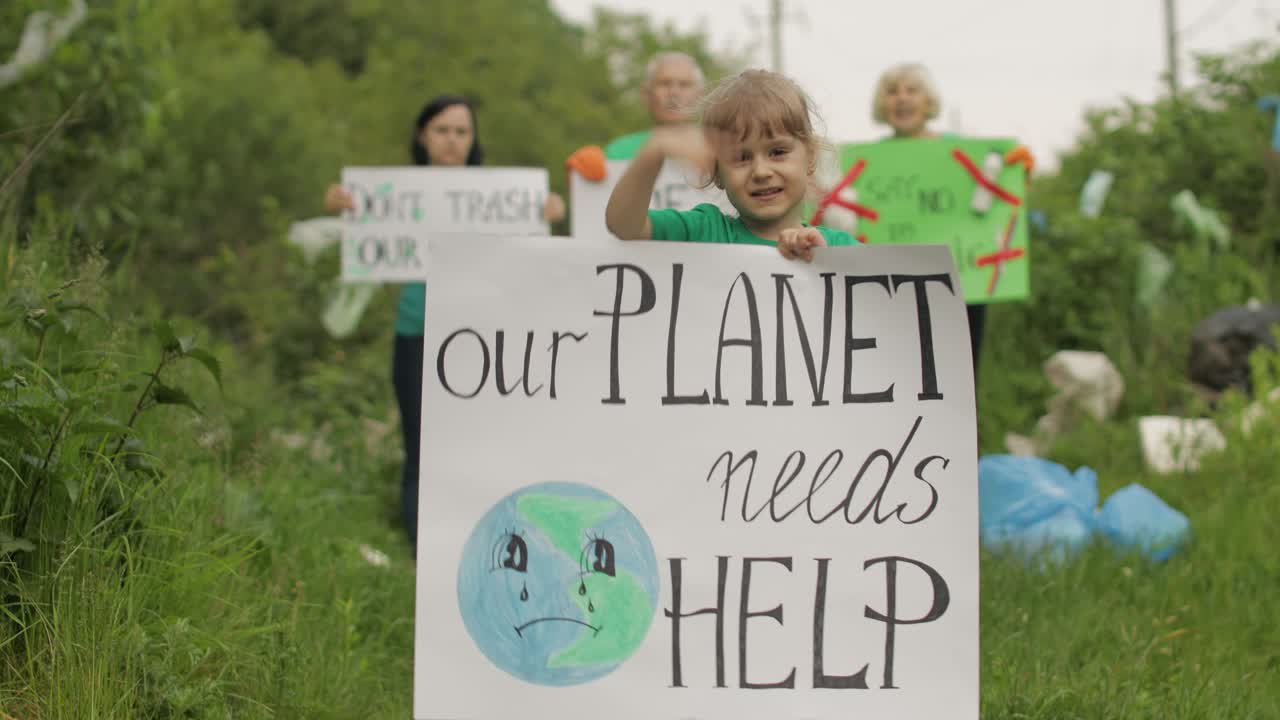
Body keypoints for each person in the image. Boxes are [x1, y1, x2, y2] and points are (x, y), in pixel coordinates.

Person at [324, 94, 565, 550]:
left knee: (484, 447)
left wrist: (546, 213)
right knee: (421, 447)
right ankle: (423, 557)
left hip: (483, 337)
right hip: (417, 331)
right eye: (442, 130)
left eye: (461, 132)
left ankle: (483, 547)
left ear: (473, 140)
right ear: (423, 136)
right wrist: (341, 206)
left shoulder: (503, 197)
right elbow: (358, 239)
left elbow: (526, 252)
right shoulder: (391, 194)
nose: (452, 141)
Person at [869, 62, 1034, 378]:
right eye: (892, 92)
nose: (901, 99)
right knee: (905, 378)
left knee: (961, 378)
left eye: (911, 90)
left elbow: (1001, 203)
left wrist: (1019, 172)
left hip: (962, 288)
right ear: (882, 104)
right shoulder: (864, 164)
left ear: (928, 101)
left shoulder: (965, 154)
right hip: (896, 292)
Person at [605, 68, 856, 260]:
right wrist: (653, 151)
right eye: (741, 158)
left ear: (810, 157)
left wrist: (827, 262)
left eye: (777, 151)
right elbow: (624, 226)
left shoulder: (841, 247)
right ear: (716, 171)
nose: (761, 171)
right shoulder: (704, 231)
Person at [566, 51, 707, 181]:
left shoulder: (721, 149)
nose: (674, 92)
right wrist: (580, 181)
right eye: (664, 83)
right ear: (645, 94)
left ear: (701, 95)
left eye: (684, 85)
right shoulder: (618, 152)